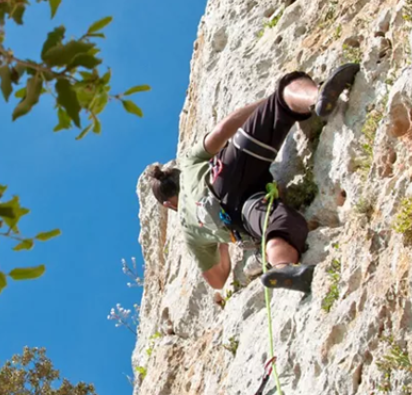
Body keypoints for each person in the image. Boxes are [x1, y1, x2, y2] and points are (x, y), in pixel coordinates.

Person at [149, 64, 359, 304]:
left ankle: (284, 267)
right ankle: (315, 97)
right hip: (225, 175)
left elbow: (217, 280)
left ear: (168, 205)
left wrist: (219, 242)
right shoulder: (187, 163)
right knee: (284, 94)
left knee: (280, 228)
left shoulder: (189, 230)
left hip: (236, 220)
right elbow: (222, 130)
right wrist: (271, 103)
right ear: (175, 175)